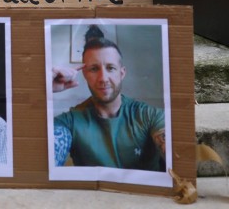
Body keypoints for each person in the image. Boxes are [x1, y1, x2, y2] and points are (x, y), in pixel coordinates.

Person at [51, 35, 166, 170]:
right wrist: (44, 88)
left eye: (110, 68)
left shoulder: (149, 116)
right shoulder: (70, 122)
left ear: (122, 73)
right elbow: (39, 164)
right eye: (94, 69)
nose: (103, 78)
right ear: (85, 74)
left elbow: (178, 158)